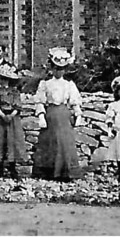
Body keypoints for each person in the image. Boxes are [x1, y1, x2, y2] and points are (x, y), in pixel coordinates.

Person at [32, 47, 83, 181]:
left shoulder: (69, 85)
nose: (58, 71)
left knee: (64, 142)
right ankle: (48, 172)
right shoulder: (45, 84)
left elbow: (74, 101)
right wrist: (41, 116)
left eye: (61, 69)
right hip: (51, 115)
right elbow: (40, 101)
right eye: (56, 68)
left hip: (64, 115)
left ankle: (65, 173)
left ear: (65, 70)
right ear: (51, 69)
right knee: (50, 142)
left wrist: (78, 114)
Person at [0, 63, 26, 180]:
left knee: (12, 141)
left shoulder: (14, 91)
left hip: (12, 119)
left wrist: (11, 115)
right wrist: (2, 115)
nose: (1, 81)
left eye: (4, 78)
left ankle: (13, 168)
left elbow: (18, 105)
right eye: (0, 78)